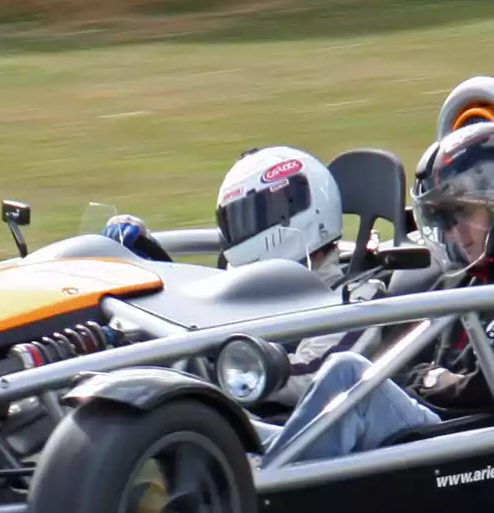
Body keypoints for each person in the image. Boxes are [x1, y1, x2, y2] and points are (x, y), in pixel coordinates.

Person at [262, 120, 494, 461]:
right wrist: (435, 378)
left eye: (461, 213)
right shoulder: (471, 280)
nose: (452, 234)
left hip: (473, 443)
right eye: (443, 221)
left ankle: (267, 481)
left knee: (347, 372)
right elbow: (397, 362)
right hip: (431, 430)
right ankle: (260, 469)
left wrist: (431, 380)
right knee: (247, 423)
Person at [103, 145, 392, 405]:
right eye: (236, 220)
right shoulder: (245, 290)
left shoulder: (357, 297)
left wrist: (206, 365)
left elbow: (311, 375)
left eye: (255, 215)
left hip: (280, 431)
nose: (243, 231)